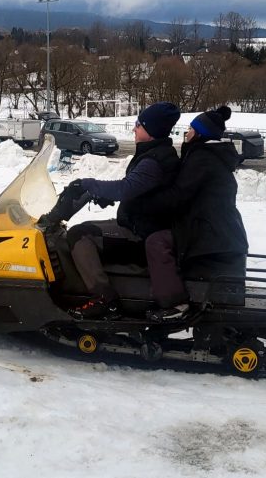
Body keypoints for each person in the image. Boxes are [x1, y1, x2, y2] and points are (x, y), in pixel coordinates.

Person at [65, 102, 182, 318]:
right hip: (138, 222)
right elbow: (138, 189)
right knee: (82, 229)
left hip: (141, 232)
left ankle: (106, 300)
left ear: (152, 130)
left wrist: (88, 184)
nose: (134, 128)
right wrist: (104, 196)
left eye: (139, 124)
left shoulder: (154, 161)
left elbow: (125, 188)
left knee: (78, 235)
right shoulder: (157, 154)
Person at [137, 106, 249, 321]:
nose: (186, 134)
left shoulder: (202, 158)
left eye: (189, 129)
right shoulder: (208, 155)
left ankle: (175, 304)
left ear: (199, 133)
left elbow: (178, 195)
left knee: (157, 242)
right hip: (216, 226)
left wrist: (144, 203)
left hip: (210, 230)